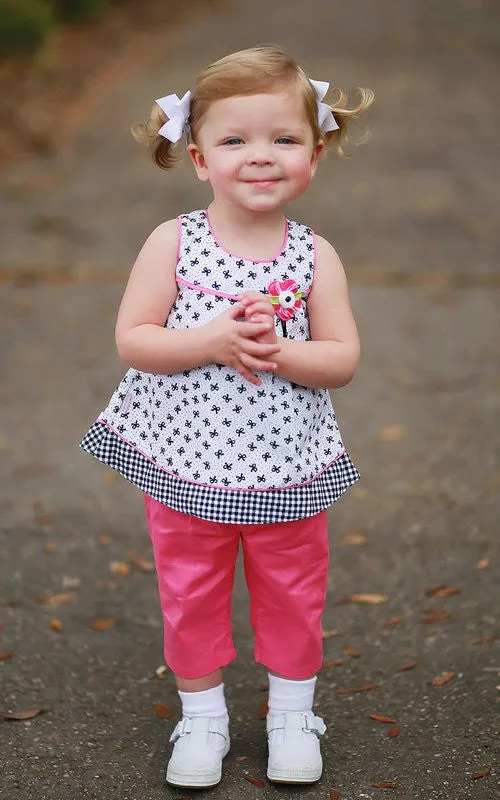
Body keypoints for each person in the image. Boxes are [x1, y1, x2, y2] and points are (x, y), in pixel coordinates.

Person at [80, 43, 373, 789]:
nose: (261, 156)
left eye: (284, 138)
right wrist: (211, 340)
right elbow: (135, 340)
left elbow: (340, 357)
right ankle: (202, 714)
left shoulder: (315, 257)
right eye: (235, 140)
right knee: (191, 590)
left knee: (293, 590)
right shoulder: (174, 242)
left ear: (315, 151)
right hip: (186, 464)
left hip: (285, 466)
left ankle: (291, 715)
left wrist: (281, 352)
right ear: (201, 158)